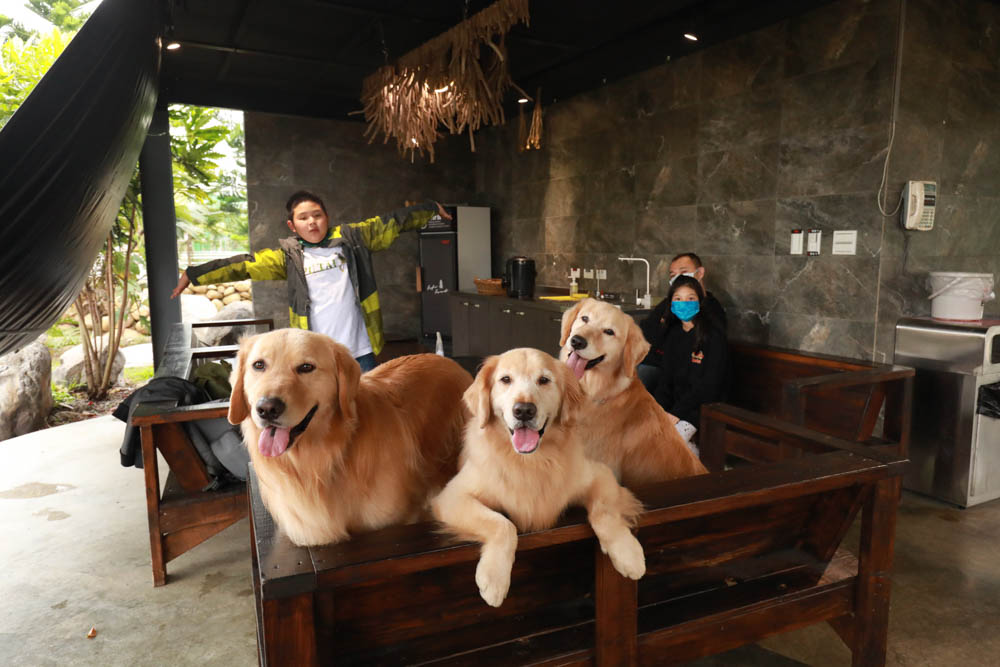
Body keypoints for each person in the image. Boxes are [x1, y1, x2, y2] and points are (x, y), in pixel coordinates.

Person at [171, 190, 451, 372]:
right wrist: (194, 274)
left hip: (361, 349)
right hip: (316, 354)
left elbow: (391, 222)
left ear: (327, 217)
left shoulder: (353, 239)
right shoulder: (288, 257)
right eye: (304, 218)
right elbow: (243, 265)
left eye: (317, 215)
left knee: (368, 409)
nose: (312, 222)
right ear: (293, 225)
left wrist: (430, 208)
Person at [637, 252, 727, 392]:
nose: (679, 278)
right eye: (673, 275)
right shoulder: (669, 303)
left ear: (700, 273)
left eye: (684, 272)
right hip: (655, 362)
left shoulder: (711, 310)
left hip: (674, 370)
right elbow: (646, 331)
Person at [652, 275, 728, 441]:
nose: (684, 303)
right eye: (678, 298)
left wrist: (676, 413)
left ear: (699, 302)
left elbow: (708, 386)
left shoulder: (713, 336)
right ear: (671, 304)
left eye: (690, 298)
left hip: (702, 407)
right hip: (675, 404)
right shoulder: (673, 334)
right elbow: (665, 380)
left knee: (669, 443)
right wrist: (659, 409)